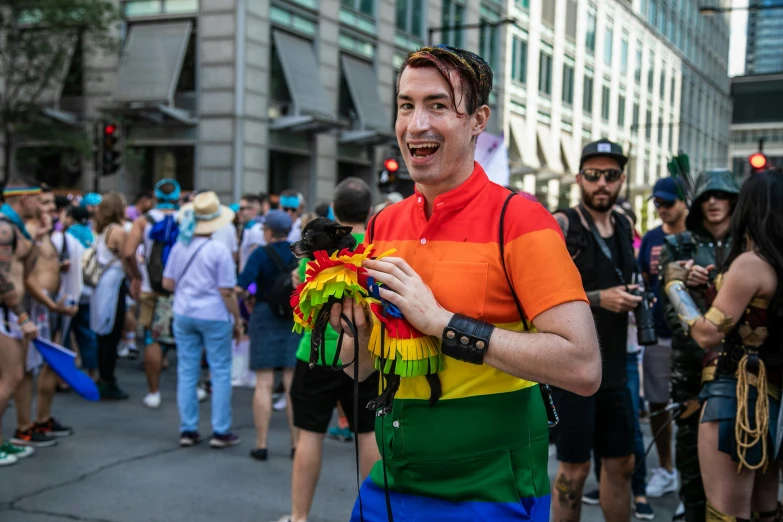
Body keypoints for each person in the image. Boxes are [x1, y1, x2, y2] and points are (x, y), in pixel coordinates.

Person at [328, 45, 600, 521]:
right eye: (406, 105)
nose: (416, 124)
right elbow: (362, 369)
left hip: (495, 494)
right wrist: (344, 325)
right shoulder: (380, 226)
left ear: (478, 120)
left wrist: (442, 322)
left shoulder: (521, 219)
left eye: (437, 105)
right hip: (393, 484)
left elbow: (582, 366)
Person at [663, 169, 782, 520]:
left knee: (725, 512)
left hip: (734, 396)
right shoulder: (774, 262)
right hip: (771, 398)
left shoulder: (750, 264)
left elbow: (705, 333)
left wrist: (674, 285)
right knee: (766, 508)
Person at [276, 178, 381, 522]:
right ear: (369, 210)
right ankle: (373, 516)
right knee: (368, 435)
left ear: (334, 211)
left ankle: (298, 517)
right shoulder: (379, 246)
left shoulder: (316, 247)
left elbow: (299, 294)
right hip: (367, 354)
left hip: (317, 353)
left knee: (309, 435)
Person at [550, 139, 641, 522]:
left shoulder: (624, 224)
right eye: (593, 175)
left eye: (611, 175)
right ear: (579, 178)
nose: (602, 183)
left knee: (622, 464)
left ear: (621, 179)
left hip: (617, 369)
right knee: (575, 470)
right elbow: (539, 299)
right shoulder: (562, 224)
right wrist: (601, 299)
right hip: (572, 370)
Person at [659, 169, 740, 522]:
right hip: (693, 369)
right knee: (692, 461)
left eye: (721, 196)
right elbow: (672, 313)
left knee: (744, 457)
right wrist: (685, 286)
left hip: (744, 369)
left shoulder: (751, 245)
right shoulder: (680, 245)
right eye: (707, 197)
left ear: (734, 202)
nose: (713, 203)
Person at [162, 191, 242, 448]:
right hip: (215, 315)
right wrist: (237, 319)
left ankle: (188, 428)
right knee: (219, 372)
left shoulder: (180, 245)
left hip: (184, 313)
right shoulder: (219, 250)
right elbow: (226, 291)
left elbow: (167, 282)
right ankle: (220, 431)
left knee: (187, 371)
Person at [12, 185, 78, 447]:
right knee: (26, 369)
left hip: (50, 307)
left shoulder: (46, 232)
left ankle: (42, 419)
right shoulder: (28, 230)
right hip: (36, 307)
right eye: (45, 202)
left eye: (51, 203)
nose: (50, 207)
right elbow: (26, 277)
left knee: (50, 362)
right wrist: (51, 305)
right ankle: (25, 426)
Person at [638, 177, 688, 501]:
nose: (662, 209)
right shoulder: (651, 238)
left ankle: (691, 474)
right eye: (657, 203)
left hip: (693, 336)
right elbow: (646, 278)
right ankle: (667, 470)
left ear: (684, 202)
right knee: (658, 405)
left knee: (691, 407)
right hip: (659, 336)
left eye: (668, 202)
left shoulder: (696, 235)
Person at [236, 210, 301, 461]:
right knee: (291, 383)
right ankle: (296, 444)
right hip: (294, 318)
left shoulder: (260, 254)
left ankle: (261, 444)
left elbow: (242, 287)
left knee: (263, 382)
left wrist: (249, 297)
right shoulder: (298, 254)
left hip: (264, 315)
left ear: (269, 231)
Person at [124, 179, 181, 409]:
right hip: (180, 290)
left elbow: (128, 252)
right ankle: (192, 387)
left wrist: (136, 276)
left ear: (155, 197)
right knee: (188, 338)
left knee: (151, 337)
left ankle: (153, 392)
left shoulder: (142, 221)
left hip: (150, 288)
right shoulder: (187, 219)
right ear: (177, 197)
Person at [0, 180, 40, 463]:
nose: (42, 206)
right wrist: (23, 317)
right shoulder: (4, 227)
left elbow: (26, 265)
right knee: (12, 377)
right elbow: (1, 277)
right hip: (5, 314)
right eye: (39, 200)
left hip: (7, 313)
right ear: (24, 199)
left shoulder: (14, 228)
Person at [90, 192, 130, 400]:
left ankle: (103, 376)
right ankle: (107, 379)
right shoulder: (118, 231)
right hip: (114, 285)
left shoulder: (101, 230)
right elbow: (127, 257)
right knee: (112, 331)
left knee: (103, 332)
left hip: (101, 285)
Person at [55, 205, 96, 379]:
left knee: (64, 333)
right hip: (88, 290)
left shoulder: (67, 235)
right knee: (87, 333)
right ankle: (93, 371)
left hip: (68, 292)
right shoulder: (90, 233)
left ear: (70, 217)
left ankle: (65, 374)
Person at [238, 193, 266, 272]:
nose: (239, 212)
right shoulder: (249, 228)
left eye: (242, 208)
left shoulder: (256, 229)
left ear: (253, 210)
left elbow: (255, 260)